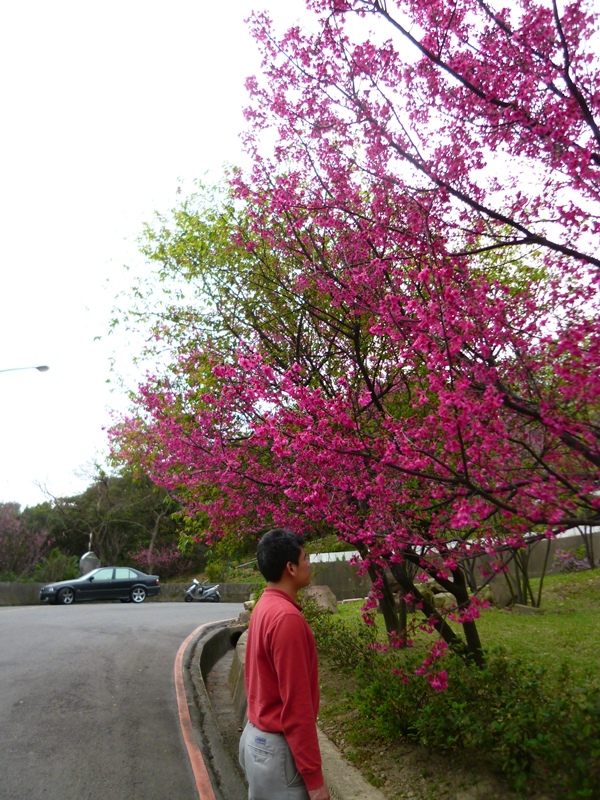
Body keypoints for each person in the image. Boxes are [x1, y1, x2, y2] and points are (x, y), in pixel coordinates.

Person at [239, 528, 330, 800]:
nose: (309, 564)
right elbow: (297, 708)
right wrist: (315, 781)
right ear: (290, 567)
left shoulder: (264, 606)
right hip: (278, 753)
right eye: (305, 558)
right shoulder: (287, 619)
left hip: (255, 739)